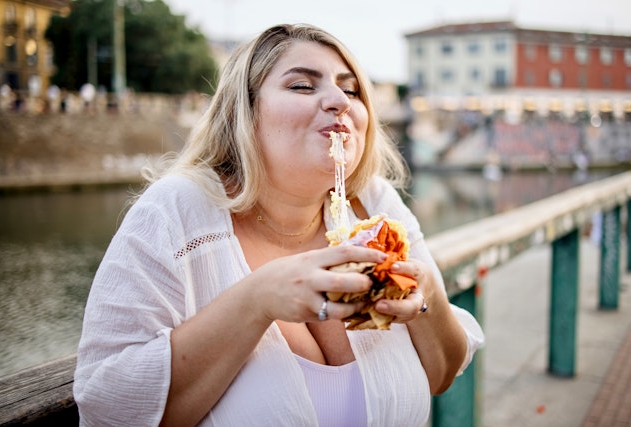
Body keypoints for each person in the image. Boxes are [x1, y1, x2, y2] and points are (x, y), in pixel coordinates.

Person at [74, 23, 484, 426]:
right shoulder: (176, 210)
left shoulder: (375, 204)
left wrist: (424, 289)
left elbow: (442, 375)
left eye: (352, 89)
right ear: (244, 112)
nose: (339, 100)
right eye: (303, 86)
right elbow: (107, 406)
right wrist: (258, 300)